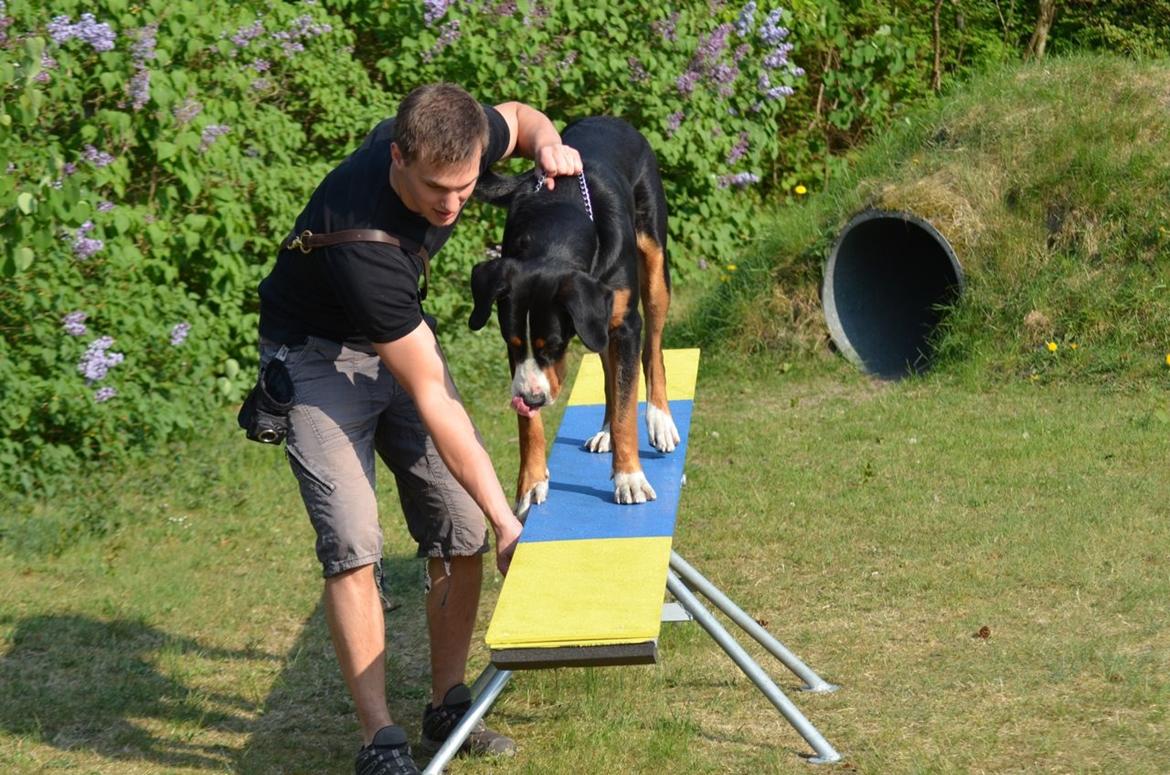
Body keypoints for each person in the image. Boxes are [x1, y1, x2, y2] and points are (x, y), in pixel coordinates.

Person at [254, 83, 583, 775]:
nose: (452, 205)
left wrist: (548, 142)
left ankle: (448, 703)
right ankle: (381, 740)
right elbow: (432, 393)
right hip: (316, 354)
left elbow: (520, 120)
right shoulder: (361, 238)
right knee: (353, 538)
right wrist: (509, 520)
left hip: (394, 334)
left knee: (458, 521)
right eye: (437, 189)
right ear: (398, 156)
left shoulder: (455, 135)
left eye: (466, 189)